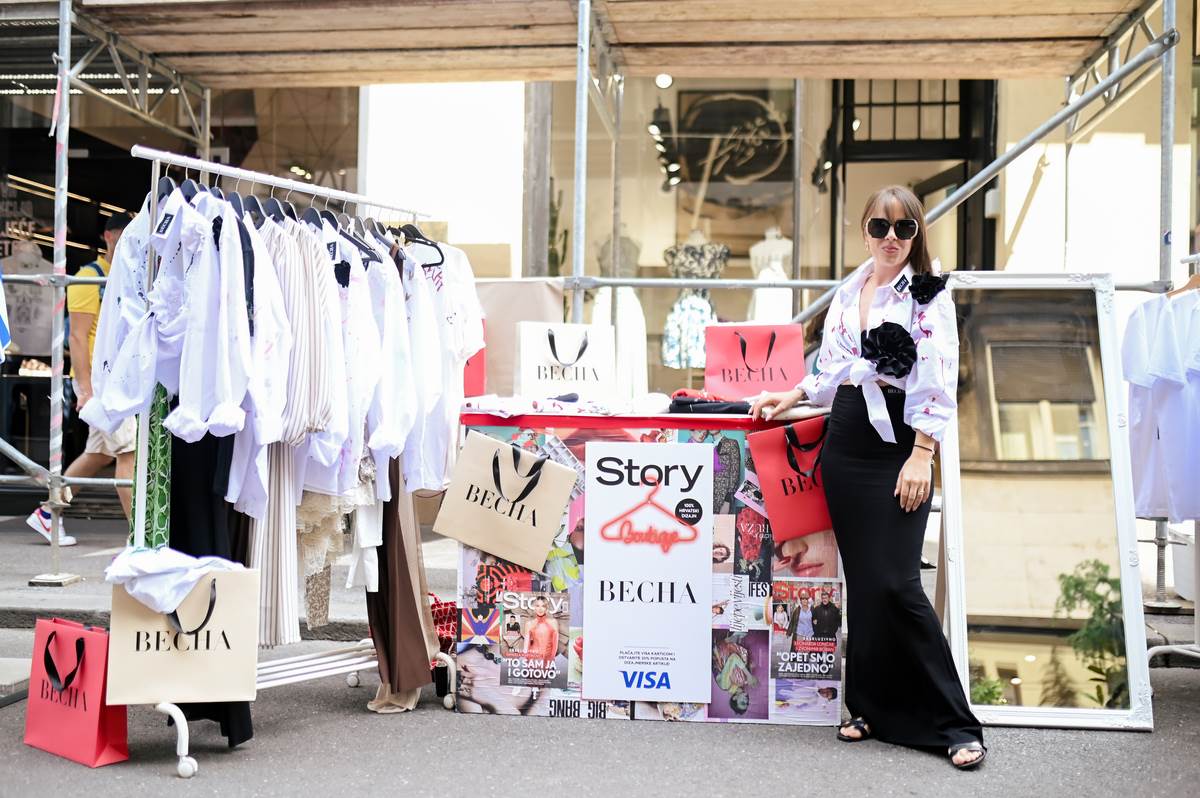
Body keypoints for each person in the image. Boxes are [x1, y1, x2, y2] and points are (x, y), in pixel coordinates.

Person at [751, 185, 985, 770]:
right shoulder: (851, 289)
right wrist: (792, 394)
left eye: (903, 229)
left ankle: (955, 722)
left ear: (917, 236)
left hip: (900, 441)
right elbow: (832, 369)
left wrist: (922, 454)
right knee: (863, 583)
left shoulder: (929, 294)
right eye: (880, 227)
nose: (890, 239)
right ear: (864, 231)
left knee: (899, 584)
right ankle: (865, 706)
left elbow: (938, 378)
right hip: (848, 440)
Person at [25, 213, 135, 546]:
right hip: (101, 384)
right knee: (128, 453)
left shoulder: (126, 273)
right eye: (123, 235)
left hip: (115, 380)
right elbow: (77, 336)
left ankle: (47, 512)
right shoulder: (90, 277)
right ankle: (139, 539)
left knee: (99, 455)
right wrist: (86, 389)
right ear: (109, 236)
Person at [522, 595, 559, 664]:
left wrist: (551, 659)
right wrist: (525, 661)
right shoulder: (529, 624)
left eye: (543, 606)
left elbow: (555, 644)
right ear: (534, 608)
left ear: (546, 608)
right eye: (537, 606)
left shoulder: (553, 622)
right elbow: (526, 646)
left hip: (548, 659)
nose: (540, 609)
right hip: (532, 659)